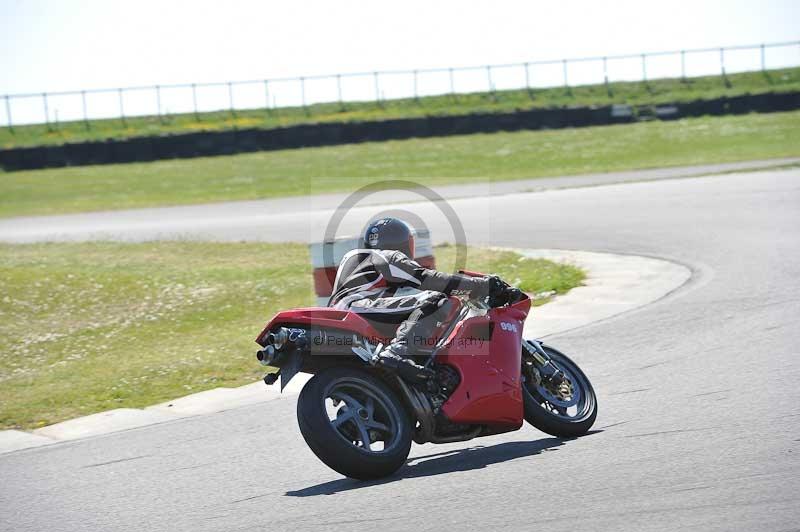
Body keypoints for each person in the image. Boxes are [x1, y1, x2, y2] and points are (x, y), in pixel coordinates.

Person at [328, 217, 512, 383]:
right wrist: (481, 285)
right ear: (403, 242)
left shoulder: (357, 258)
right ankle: (398, 351)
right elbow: (426, 279)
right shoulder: (387, 256)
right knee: (435, 300)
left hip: (345, 314)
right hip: (358, 308)